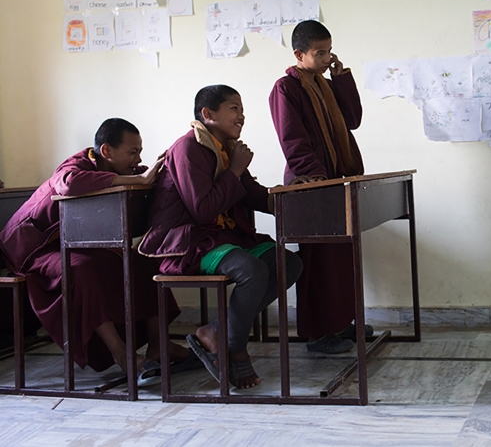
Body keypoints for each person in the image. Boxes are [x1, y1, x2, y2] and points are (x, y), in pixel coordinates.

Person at [0, 118, 197, 383]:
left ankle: (159, 344)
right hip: (32, 248)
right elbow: (68, 184)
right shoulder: (76, 166)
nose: (137, 158)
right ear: (107, 151)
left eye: (139, 151)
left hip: (73, 242)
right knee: (82, 269)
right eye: (132, 152)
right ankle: (121, 354)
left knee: (143, 258)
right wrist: (137, 178)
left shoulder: (121, 168)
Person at [139, 85, 303, 389]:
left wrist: (287, 202)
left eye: (242, 109)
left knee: (288, 263)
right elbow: (203, 210)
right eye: (234, 109)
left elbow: (251, 193)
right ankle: (236, 350)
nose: (242, 116)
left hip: (218, 236)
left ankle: (216, 330)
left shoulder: (225, 146)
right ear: (208, 114)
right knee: (251, 271)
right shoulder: (188, 148)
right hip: (185, 242)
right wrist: (237, 169)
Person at [269, 20, 372, 354]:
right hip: (311, 185)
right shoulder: (287, 88)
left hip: (336, 180)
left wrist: (341, 79)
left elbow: (353, 120)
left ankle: (340, 323)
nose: (328, 58)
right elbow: (293, 140)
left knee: (340, 256)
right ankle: (316, 334)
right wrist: (318, 181)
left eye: (329, 51)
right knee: (317, 262)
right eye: (320, 53)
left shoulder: (325, 84)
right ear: (299, 54)